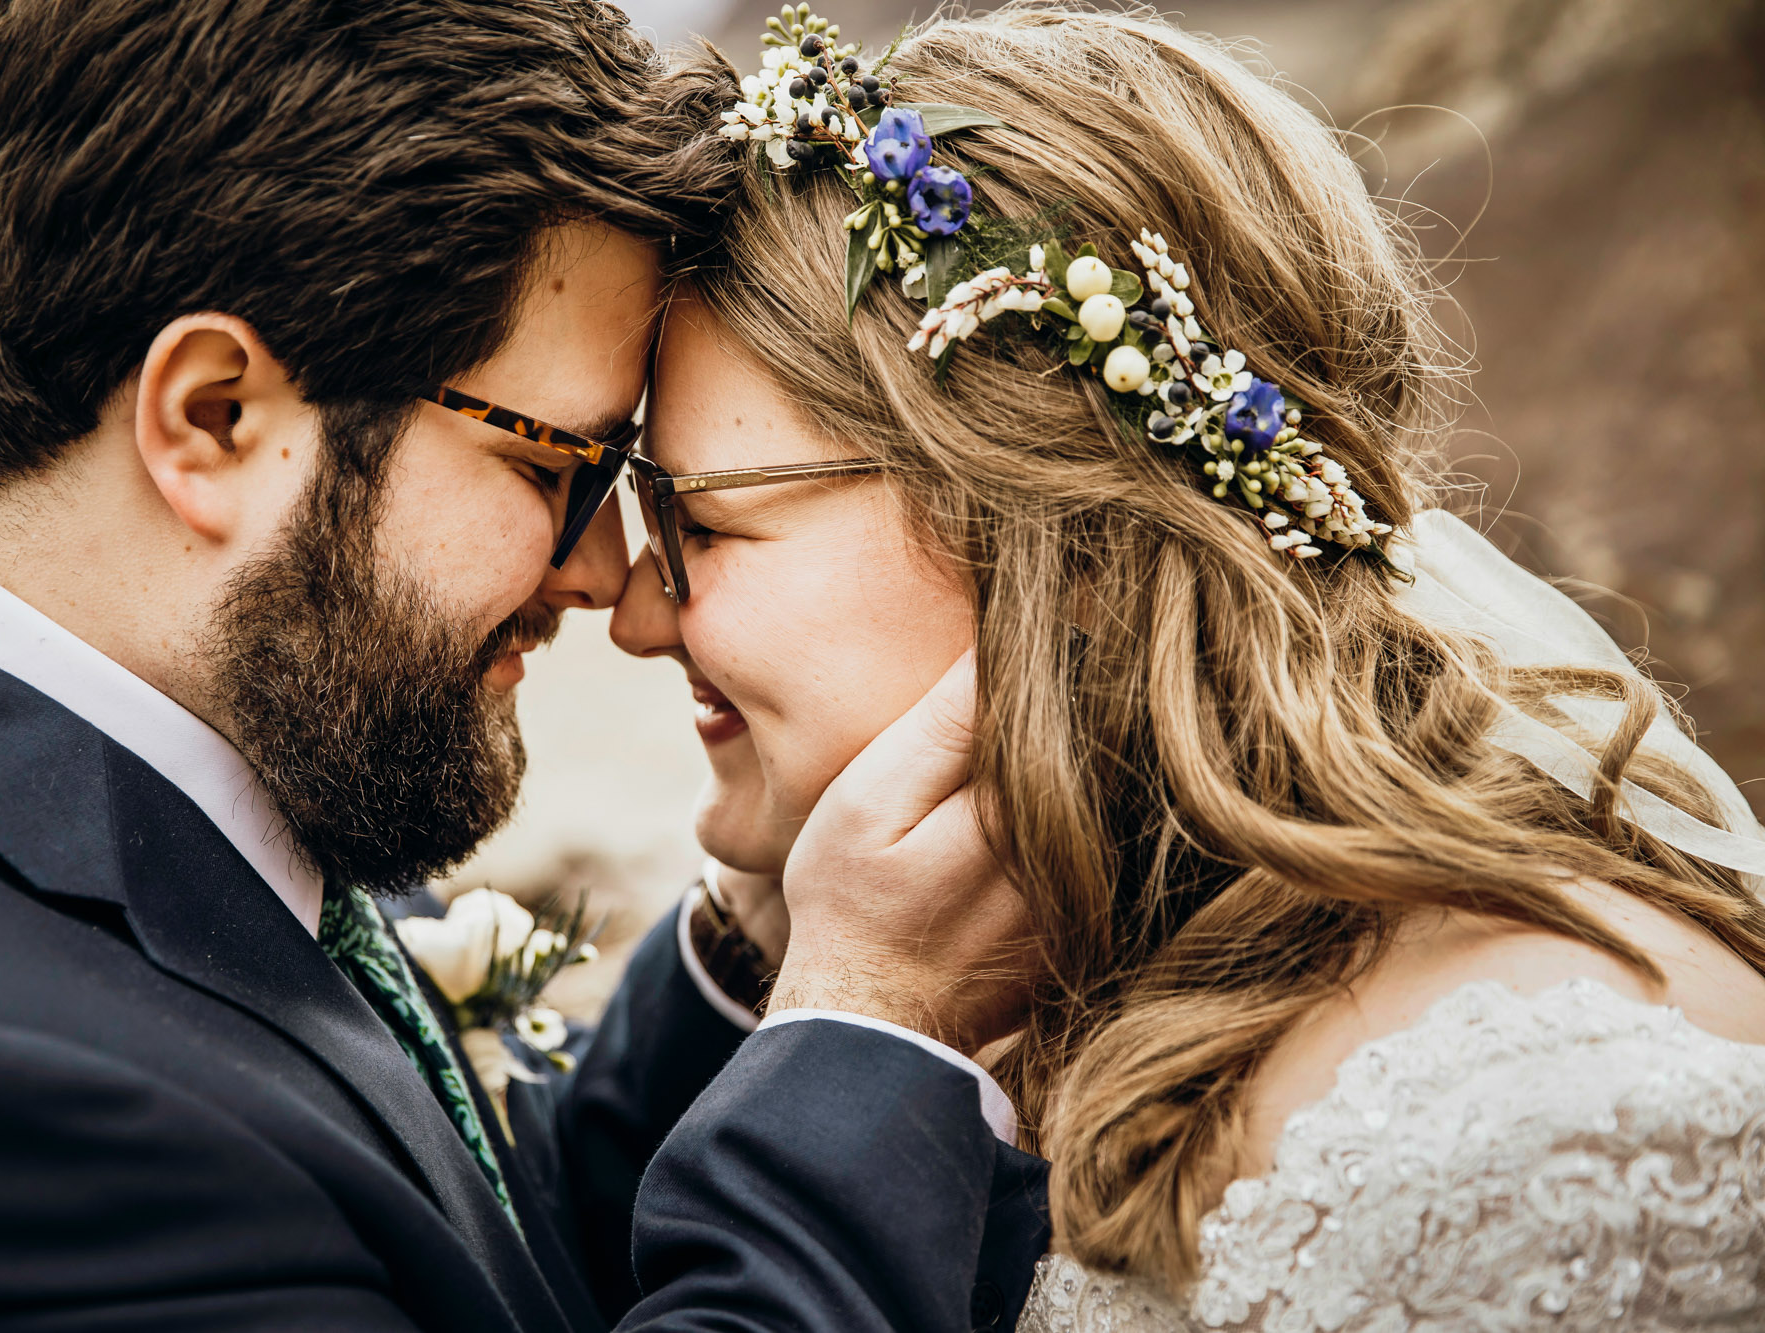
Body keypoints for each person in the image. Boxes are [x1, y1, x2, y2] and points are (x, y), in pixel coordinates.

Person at [0, 2, 1045, 1329]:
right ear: (213, 418)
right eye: (558, 464)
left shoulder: (177, 744)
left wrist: (763, 944)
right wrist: (871, 1029)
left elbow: (465, 1258)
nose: (604, 574)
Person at [620, 6, 1765, 1328]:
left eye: (696, 521)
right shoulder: (986, 981)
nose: (637, 612)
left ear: (1065, 538)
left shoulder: (1551, 1136)